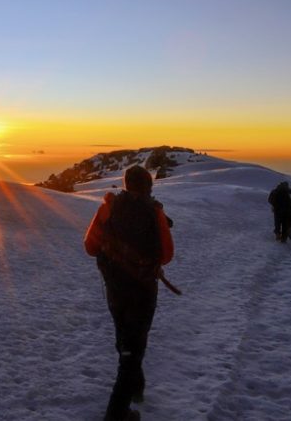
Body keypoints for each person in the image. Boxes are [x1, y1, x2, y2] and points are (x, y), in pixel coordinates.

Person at [84, 165, 174, 421]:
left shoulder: (109, 206)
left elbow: (90, 246)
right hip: (144, 289)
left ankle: (136, 387)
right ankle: (117, 413)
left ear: (125, 184)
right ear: (148, 186)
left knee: (125, 338)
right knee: (135, 344)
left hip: (114, 286)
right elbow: (166, 255)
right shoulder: (154, 211)